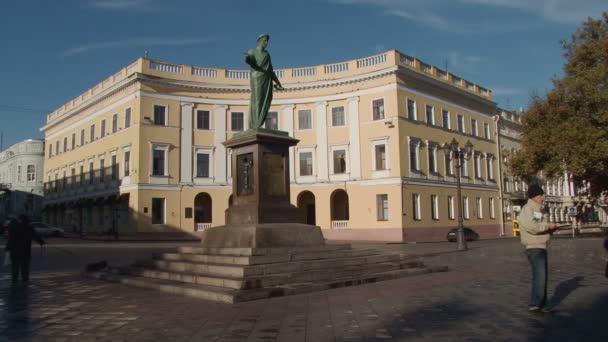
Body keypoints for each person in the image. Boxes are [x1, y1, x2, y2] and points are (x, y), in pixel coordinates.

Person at [519, 184, 560, 313]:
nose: (543, 197)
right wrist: (548, 226)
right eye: (542, 195)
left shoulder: (537, 209)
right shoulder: (528, 209)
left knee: (542, 276)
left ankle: (541, 304)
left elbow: (539, 226)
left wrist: (551, 228)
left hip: (541, 246)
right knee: (540, 276)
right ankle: (535, 303)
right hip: (534, 247)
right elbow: (533, 227)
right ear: (536, 196)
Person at [244, 33, 283, 129]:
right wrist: (247, 59)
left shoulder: (267, 54)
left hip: (267, 79)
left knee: (265, 101)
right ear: (259, 41)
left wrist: (278, 83)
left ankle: (258, 123)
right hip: (257, 78)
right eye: (264, 41)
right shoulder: (252, 51)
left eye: (267, 41)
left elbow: (270, 70)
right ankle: (256, 124)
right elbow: (250, 61)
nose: (266, 43)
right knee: (258, 100)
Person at [5, 215, 44, 284]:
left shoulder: (14, 227)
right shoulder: (29, 228)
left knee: (15, 267)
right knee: (25, 268)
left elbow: (10, 239)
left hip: (15, 251)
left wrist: (8, 247)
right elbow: (36, 236)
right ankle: (25, 281)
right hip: (25, 252)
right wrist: (41, 242)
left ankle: (14, 281)